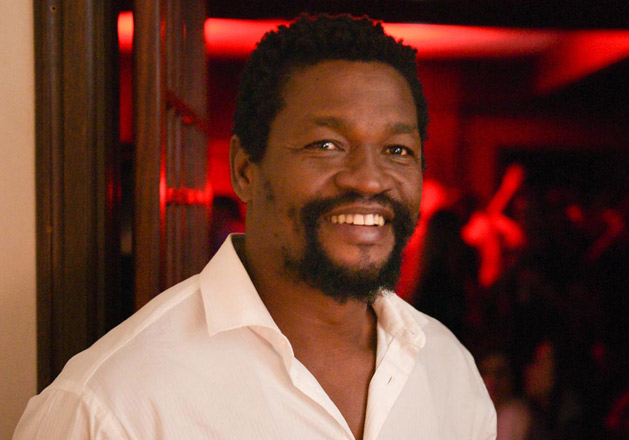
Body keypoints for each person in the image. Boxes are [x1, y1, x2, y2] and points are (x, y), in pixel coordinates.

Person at [14, 14, 496, 439]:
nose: (370, 178)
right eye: (326, 145)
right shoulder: (110, 408)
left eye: (397, 150)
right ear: (245, 169)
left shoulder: (449, 371)